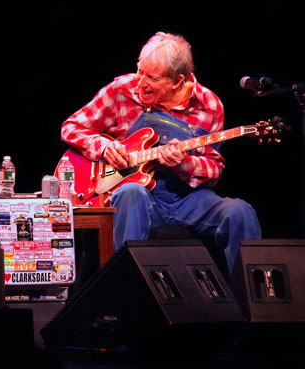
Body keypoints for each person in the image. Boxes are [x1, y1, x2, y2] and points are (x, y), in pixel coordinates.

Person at [61, 31, 261, 277]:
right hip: (138, 196)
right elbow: (71, 127)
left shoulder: (209, 105)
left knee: (240, 212)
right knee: (131, 192)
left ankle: (248, 307)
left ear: (178, 81)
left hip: (186, 200)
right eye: (139, 70)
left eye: (151, 77)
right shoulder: (121, 90)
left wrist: (184, 163)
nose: (140, 83)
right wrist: (103, 146)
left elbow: (214, 169)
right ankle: (127, 300)